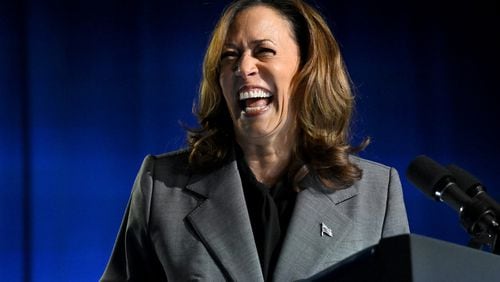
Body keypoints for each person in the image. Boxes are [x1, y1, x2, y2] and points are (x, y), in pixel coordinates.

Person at [100, 0, 409, 281]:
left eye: (264, 51)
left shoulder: (376, 194)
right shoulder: (162, 187)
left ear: (308, 70)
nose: (243, 68)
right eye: (230, 56)